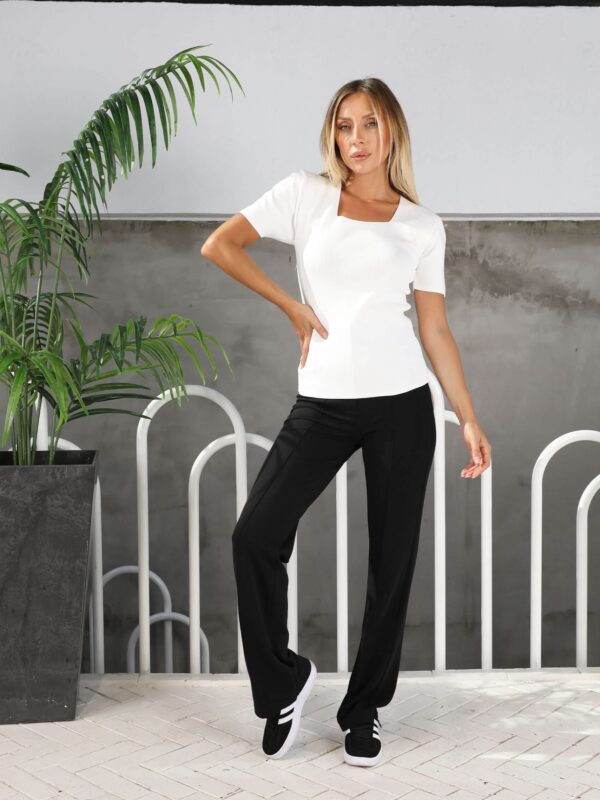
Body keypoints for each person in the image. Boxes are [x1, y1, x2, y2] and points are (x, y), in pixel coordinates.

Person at [200, 77, 492, 767]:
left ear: (393, 132)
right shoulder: (304, 194)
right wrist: (291, 306)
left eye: (369, 124)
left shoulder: (421, 225)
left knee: (392, 563)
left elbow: (434, 327)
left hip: (402, 404)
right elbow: (221, 245)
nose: (355, 139)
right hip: (324, 402)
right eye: (343, 125)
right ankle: (282, 682)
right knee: (255, 535)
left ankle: (364, 710)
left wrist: (467, 416)